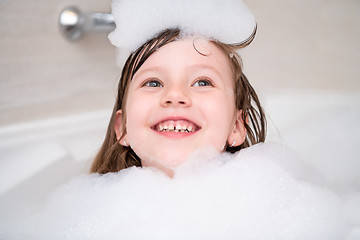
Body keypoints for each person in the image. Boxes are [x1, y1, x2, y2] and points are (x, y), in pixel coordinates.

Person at [90, 27, 266, 176]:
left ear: (235, 126)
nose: (175, 95)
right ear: (122, 127)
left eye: (202, 82)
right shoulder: (97, 211)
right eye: (153, 83)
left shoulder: (264, 208)